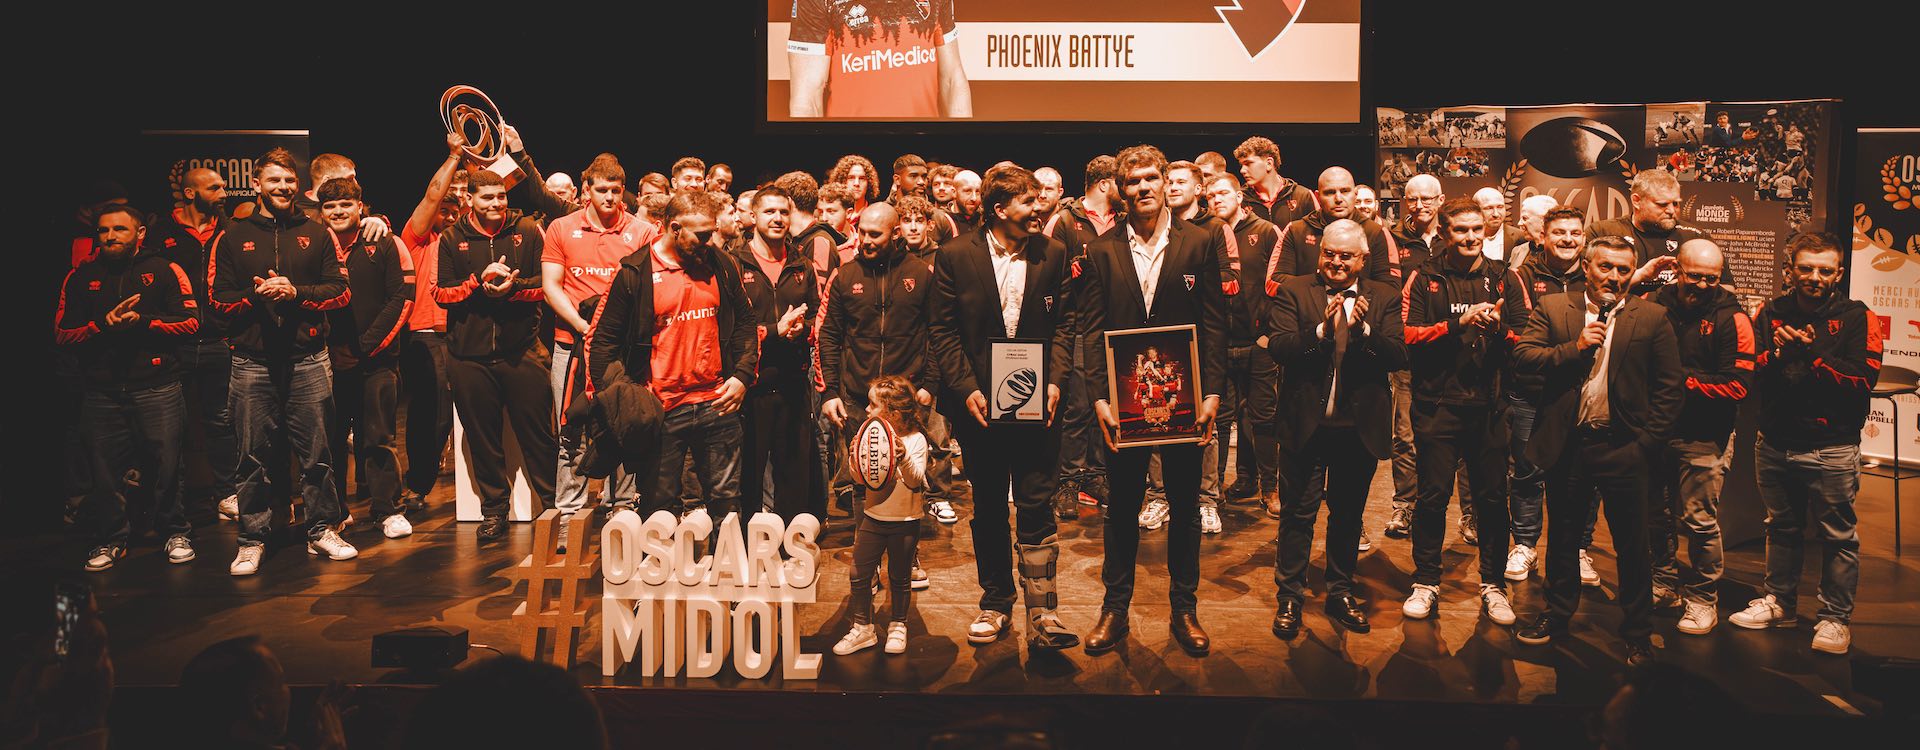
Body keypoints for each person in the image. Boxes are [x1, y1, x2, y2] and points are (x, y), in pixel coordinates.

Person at [1079, 145, 1227, 657]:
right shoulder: (1100, 250)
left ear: (1165, 182)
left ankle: (1184, 610)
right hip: (1124, 403)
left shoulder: (1201, 241)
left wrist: (1212, 392)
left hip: (1184, 398)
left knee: (1185, 506)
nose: (1142, 188)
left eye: (1150, 178)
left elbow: (1215, 323)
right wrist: (1100, 397)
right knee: (1121, 506)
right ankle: (1114, 610)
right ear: (1121, 190)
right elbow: (1091, 329)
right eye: (1132, 181)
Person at [928, 166, 1080, 651]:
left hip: (1039, 402)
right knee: (990, 505)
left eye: (1039, 200)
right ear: (999, 209)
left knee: (1036, 503)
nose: (1038, 209)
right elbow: (943, 330)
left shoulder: (1054, 252)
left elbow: (1066, 325)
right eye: (1028, 202)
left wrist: (1055, 381)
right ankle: (995, 602)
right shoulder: (955, 255)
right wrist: (965, 387)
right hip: (979, 406)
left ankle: (1044, 611)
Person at [1513, 236, 1683, 666]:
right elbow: (1524, 357)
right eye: (1605, 267)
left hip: (1624, 447)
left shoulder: (1652, 317)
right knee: (1564, 538)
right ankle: (1557, 614)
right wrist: (1574, 348)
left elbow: (1669, 389)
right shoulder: (1555, 307)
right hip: (1569, 444)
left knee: (1632, 545)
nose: (1614, 277)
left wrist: (1646, 445)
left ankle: (1637, 632)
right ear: (1587, 267)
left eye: (1624, 269)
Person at [210, 148, 355, 575]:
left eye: (289, 180)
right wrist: (255, 296)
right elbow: (217, 301)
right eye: (274, 180)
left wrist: (296, 293)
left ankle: (322, 529)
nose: (283, 187)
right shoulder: (232, 236)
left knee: (318, 454)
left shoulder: (317, 232)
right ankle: (252, 539)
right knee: (251, 458)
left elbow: (340, 291)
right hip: (251, 363)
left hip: (308, 359)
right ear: (257, 184)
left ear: (298, 185)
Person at [1732, 232, 1879, 655]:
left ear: (1838, 273)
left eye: (1824, 270)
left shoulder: (1857, 317)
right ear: (1790, 270)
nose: (1815, 277)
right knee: (1780, 527)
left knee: (1838, 537)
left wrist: (1812, 355)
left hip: (1832, 447)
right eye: (1806, 268)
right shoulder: (1770, 312)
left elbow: (1862, 380)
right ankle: (1780, 602)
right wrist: (1780, 354)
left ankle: (1835, 619)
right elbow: (1749, 371)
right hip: (1775, 442)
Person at [1265, 219, 1405, 639]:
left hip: (1357, 430)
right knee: (1297, 516)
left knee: (1347, 517)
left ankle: (1340, 592)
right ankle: (1290, 595)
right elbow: (1280, 347)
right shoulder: (1294, 290)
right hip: (1304, 427)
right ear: (1319, 253)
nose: (1336, 262)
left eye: (1346, 256)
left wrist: (1363, 331)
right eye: (1329, 253)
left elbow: (1397, 355)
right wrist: (1322, 331)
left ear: (1363, 260)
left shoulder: (1384, 296)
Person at [587, 191, 757, 524]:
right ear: (674, 228)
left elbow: (745, 323)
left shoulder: (721, 265)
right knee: (658, 508)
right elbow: (603, 341)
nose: (709, 242)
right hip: (662, 408)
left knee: (726, 505)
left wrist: (742, 375)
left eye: (711, 233)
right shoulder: (634, 272)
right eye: (701, 235)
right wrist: (625, 400)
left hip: (717, 402)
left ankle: (722, 560)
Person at [1399, 198, 1528, 628]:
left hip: (1490, 407)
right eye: (1461, 230)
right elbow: (1406, 335)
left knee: (1491, 500)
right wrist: (1459, 325)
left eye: (1477, 229)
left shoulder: (1505, 277)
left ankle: (1493, 584)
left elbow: (1528, 339)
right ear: (1445, 233)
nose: (1471, 237)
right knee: (1432, 498)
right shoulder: (1425, 277)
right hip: (1437, 406)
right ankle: (1426, 581)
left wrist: (1500, 331)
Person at [61, 206, 200, 570]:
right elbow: (62, 333)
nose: (110, 237)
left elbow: (190, 322)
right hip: (101, 391)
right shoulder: (81, 276)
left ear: (139, 233)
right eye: (104, 230)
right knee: (105, 472)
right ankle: (110, 539)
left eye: (119, 229)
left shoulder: (164, 269)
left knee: (168, 467)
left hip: (158, 385)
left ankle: (174, 532)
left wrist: (142, 322)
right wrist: (101, 326)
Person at [435, 170, 558, 543]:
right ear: (470, 199)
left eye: (500, 196)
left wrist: (512, 287)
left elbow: (545, 286)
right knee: (483, 440)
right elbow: (441, 294)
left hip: (521, 351)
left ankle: (555, 509)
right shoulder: (452, 237)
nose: (496, 203)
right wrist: (478, 282)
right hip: (468, 357)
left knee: (539, 437)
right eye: (487, 197)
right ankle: (494, 511)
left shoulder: (527, 230)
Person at [540, 155, 657, 545]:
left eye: (615, 190)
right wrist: (583, 325)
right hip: (570, 345)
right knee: (570, 431)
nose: (609, 197)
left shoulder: (641, 231)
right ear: (586, 189)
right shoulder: (562, 227)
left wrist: (612, 334)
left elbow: (647, 289)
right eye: (601, 190)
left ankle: (622, 509)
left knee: (624, 426)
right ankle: (568, 515)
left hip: (621, 354)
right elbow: (551, 286)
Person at [1648, 240, 1754, 635]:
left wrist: (1677, 381)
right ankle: (1663, 584)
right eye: (1695, 276)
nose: (1703, 285)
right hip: (1656, 430)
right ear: (1677, 270)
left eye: (1712, 278)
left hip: (1705, 436)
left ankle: (1702, 598)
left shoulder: (1732, 317)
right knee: (1654, 515)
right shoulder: (1655, 303)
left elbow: (1738, 385)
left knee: (1699, 521)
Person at [1507, 207, 1603, 587]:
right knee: (1527, 472)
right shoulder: (1521, 276)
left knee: (1584, 476)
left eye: (1575, 233)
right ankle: (1525, 545)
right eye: (1559, 232)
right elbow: (1521, 336)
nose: (1567, 239)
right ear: (1541, 238)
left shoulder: (1595, 275)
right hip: (1531, 393)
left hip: (1581, 394)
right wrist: (1570, 347)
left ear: (1584, 238)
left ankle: (1578, 548)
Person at [317, 178, 415, 539]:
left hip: (377, 361)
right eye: (330, 206)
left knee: (379, 437)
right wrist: (331, 350)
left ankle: (387, 510)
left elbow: (401, 298)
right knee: (330, 441)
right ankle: (335, 514)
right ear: (321, 211)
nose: (338, 211)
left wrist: (363, 348)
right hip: (329, 361)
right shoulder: (315, 243)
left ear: (360, 206)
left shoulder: (386, 241)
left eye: (346, 204)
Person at [147, 167, 239, 522]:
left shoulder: (229, 230)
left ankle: (227, 494)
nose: (223, 193)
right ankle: (176, 500)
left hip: (219, 340)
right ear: (189, 193)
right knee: (172, 427)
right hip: (175, 343)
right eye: (214, 187)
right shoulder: (160, 233)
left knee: (221, 421)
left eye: (223, 186)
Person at [729, 185, 820, 527]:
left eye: (783, 212)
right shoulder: (733, 262)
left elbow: (817, 316)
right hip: (749, 386)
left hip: (793, 383)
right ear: (753, 216)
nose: (778, 218)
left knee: (793, 477)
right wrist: (774, 330)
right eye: (770, 211)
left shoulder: (802, 264)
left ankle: (787, 546)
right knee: (747, 478)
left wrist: (803, 330)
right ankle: (748, 546)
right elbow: (730, 328)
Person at [831, 376, 930, 656]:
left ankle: (898, 624)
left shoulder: (916, 440)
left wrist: (903, 456)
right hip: (873, 517)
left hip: (905, 522)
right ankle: (863, 627)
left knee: (899, 576)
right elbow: (858, 479)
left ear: (893, 412)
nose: (866, 410)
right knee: (859, 572)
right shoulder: (868, 435)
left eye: (873, 405)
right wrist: (854, 459)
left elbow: (915, 480)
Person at [397, 137, 467, 515]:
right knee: (432, 416)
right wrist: (455, 155)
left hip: (462, 334)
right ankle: (418, 485)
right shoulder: (419, 237)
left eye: (457, 212)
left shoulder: (464, 241)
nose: (450, 217)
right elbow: (431, 196)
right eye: (445, 211)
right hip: (426, 334)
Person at [1209, 175, 1281, 509]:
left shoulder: (1265, 232)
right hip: (1220, 344)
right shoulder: (1207, 233)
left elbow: (1281, 285)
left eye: (1223, 193)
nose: (1217, 199)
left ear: (1239, 196)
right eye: (1211, 195)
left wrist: (1270, 334)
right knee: (1220, 419)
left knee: (1262, 418)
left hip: (1258, 342)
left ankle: (1270, 489)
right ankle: (1216, 490)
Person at [1382, 174, 1445, 539]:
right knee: (1404, 436)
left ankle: (1464, 513)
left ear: (1440, 200)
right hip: (1407, 354)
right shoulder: (1393, 240)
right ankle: (1404, 506)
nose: (1419, 205)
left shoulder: (1453, 237)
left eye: (1427, 199)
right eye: (1412, 199)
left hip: (1448, 352)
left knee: (1451, 438)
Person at [788, 0, 971, 119]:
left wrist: (963, 146)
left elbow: (952, 80)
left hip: (922, 146)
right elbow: (807, 98)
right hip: (850, 148)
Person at [1587, 169, 1716, 293]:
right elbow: (1586, 289)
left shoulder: (1697, 237)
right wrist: (1640, 276)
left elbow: (1724, 289)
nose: (1671, 211)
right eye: (1662, 204)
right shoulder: (1601, 232)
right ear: (1636, 201)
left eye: (1675, 203)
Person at [1232, 136, 1315, 228]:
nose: (1242, 170)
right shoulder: (1240, 200)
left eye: (1248, 163)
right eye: (1242, 165)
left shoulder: (1303, 196)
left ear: (1269, 163)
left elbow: (1319, 232)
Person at [1506, 194, 1559, 269]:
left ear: (1544, 220)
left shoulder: (1562, 253)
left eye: (1525, 218)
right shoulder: (1517, 251)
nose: (1519, 223)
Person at [1471, 187, 1524, 261]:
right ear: (1476, 210)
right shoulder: (1468, 237)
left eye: (1500, 207)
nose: (1496, 214)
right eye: (1489, 208)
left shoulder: (1520, 237)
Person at [829, 154, 880, 220]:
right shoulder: (830, 215)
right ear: (841, 181)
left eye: (862, 178)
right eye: (851, 178)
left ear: (869, 183)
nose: (856, 183)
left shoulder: (875, 215)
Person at [950, 169, 984, 234]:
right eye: (968, 191)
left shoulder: (984, 218)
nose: (974, 198)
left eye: (977, 192)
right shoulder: (942, 219)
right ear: (954, 192)